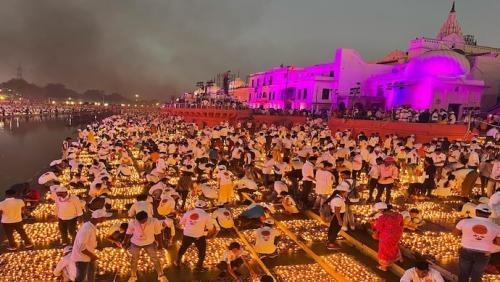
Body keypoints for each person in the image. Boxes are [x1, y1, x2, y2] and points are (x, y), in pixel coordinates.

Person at [453, 204, 500, 282]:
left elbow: (455, 234)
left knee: (463, 273)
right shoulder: (496, 227)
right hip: (484, 253)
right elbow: (499, 243)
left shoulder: (464, 222)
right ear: (489, 214)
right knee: (477, 275)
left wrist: (467, 234)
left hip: (466, 250)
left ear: (475, 212)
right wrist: (488, 239)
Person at [123, 211, 167, 282]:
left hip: (149, 243)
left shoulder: (154, 221)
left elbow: (158, 233)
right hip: (135, 243)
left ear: (147, 218)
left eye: (143, 221)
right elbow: (128, 233)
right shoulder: (133, 222)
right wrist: (125, 243)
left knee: (155, 258)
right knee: (134, 260)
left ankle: (161, 275)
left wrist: (160, 245)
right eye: (139, 221)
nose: (141, 222)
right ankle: (133, 276)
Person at [175, 200, 215, 272]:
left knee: (183, 247)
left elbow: (180, 223)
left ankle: (177, 261)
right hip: (199, 236)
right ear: (204, 207)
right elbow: (210, 228)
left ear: (195, 205)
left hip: (187, 234)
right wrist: (208, 234)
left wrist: (190, 225)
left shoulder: (188, 213)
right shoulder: (206, 215)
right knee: (202, 251)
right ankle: (199, 267)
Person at [72, 209, 110, 282]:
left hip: (88, 254)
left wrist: (96, 246)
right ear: (99, 218)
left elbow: (88, 241)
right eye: (104, 217)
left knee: (91, 272)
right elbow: (81, 247)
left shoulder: (91, 225)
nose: (105, 219)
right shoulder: (87, 229)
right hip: (81, 258)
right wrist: (92, 256)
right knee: (81, 278)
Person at [373, 204, 404, 271]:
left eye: (379, 210)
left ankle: (384, 266)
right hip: (397, 234)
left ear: (382, 210)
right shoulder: (399, 215)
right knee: (394, 245)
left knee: (384, 250)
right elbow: (401, 225)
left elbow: (379, 228)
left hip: (386, 236)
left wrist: (375, 234)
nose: (379, 211)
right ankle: (399, 258)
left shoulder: (383, 218)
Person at [326, 184, 349, 250]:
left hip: (336, 215)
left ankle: (330, 241)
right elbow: (337, 211)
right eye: (346, 192)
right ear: (342, 191)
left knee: (333, 229)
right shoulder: (338, 200)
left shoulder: (337, 197)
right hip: (337, 216)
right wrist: (340, 220)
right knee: (335, 230)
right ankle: (331, 244)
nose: (347, 193)